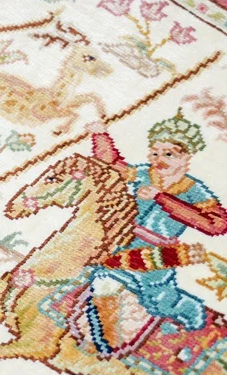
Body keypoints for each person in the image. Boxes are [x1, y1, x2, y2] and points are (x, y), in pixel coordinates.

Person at [85, 111, 227, 354]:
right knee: (102, 280)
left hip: (157, 254)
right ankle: (106, 343)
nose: (159, 159)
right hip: (123, 241)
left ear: (186, 157)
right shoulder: (144, 174)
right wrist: (100, 135)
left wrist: (162, 198)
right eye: (155, 153)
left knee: (160, 300)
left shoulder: (193, 190)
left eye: (169, 154)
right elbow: (110, 166)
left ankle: (195, 317)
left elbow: (217, 225)